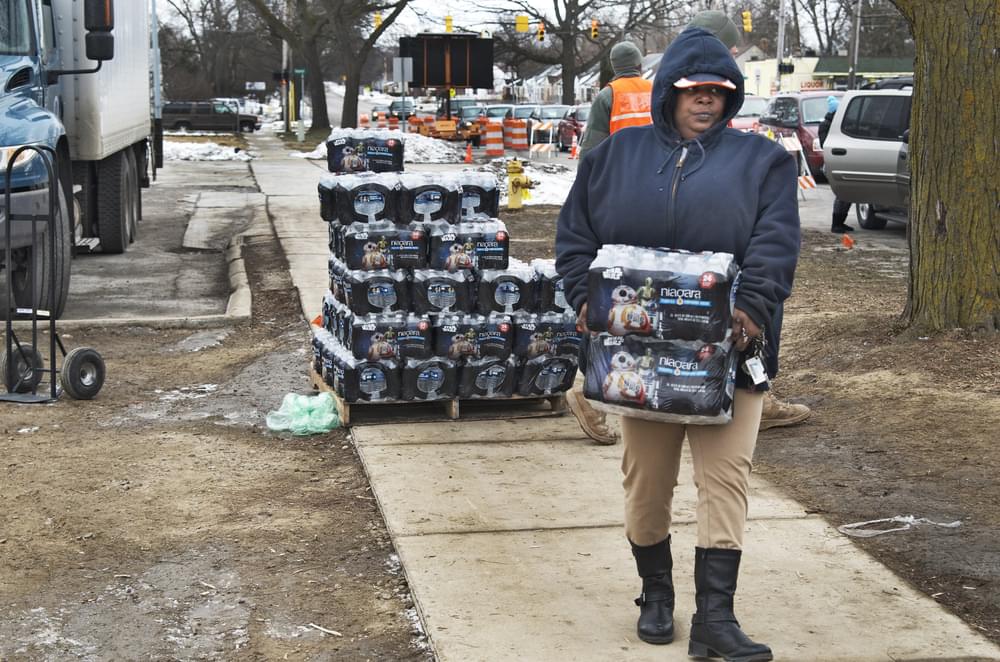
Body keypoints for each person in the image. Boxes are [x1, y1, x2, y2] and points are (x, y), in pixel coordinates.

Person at [556, 26, 800, 662]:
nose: (707, 101)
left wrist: (751, 308)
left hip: (729, 354)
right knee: (647, 483)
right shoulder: (616, 156)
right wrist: (587, 298)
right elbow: (574, 235)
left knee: (726, 480)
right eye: (695, 90)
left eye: (719, 92)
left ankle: (716, 618)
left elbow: (776, 243)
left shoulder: (763, 161)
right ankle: (657, 595)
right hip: (641, 358)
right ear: (670, 91)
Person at [819, 95, 855, 233]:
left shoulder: (836, 124)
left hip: (840, 161)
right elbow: (824, 144)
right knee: (842, 193)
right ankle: (836, 223)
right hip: (832, 162)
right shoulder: (827, 126)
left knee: (847, 194)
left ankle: (841, 222)